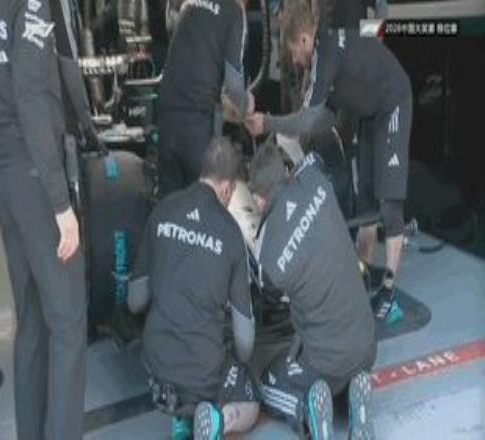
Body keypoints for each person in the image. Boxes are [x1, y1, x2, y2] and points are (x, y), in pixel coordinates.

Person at [245, 2, 412, 322]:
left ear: (304, 39)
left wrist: (267, 123)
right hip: (369, 112)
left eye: (294, 51)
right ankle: (361, 276)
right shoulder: (324, 59)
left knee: (389, 202)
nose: (294, 60)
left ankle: (389, 293)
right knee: (366, 198)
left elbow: (308, 121)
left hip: (393, 103)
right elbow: (325, 118)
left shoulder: (327, 54)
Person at [0, 1, 87, 439]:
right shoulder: (30, 3)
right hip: (34, 179)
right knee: (67, 322)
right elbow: (29, 92)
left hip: (2, 174)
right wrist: (61, 204)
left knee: (30, 322)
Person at [129, 137, 260, 439]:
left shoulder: (164, 208)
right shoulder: (230, 233)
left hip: (155, 362)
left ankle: (181, 414)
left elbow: (135, 301)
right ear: (227, 187)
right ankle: (216, 420)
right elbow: (245, 343)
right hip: (202, 373)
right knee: (251, 402)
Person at [249, 142, 376, 439]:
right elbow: (310, 157)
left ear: (256, 198)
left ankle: (307, 408)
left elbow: (266, 294)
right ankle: (356, 396)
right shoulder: (315, 176)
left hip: (324, 363)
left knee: (268, 382)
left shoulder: (269, 258)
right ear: (287, 171)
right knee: (343, 367)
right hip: (367, 346)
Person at [158, 0, 255, 196]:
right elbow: (234, 85)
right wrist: (246, 106)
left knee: (170, 203)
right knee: (204, 201)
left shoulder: (189, 3)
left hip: (167, 113)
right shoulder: (234, 12)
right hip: (198, 121)